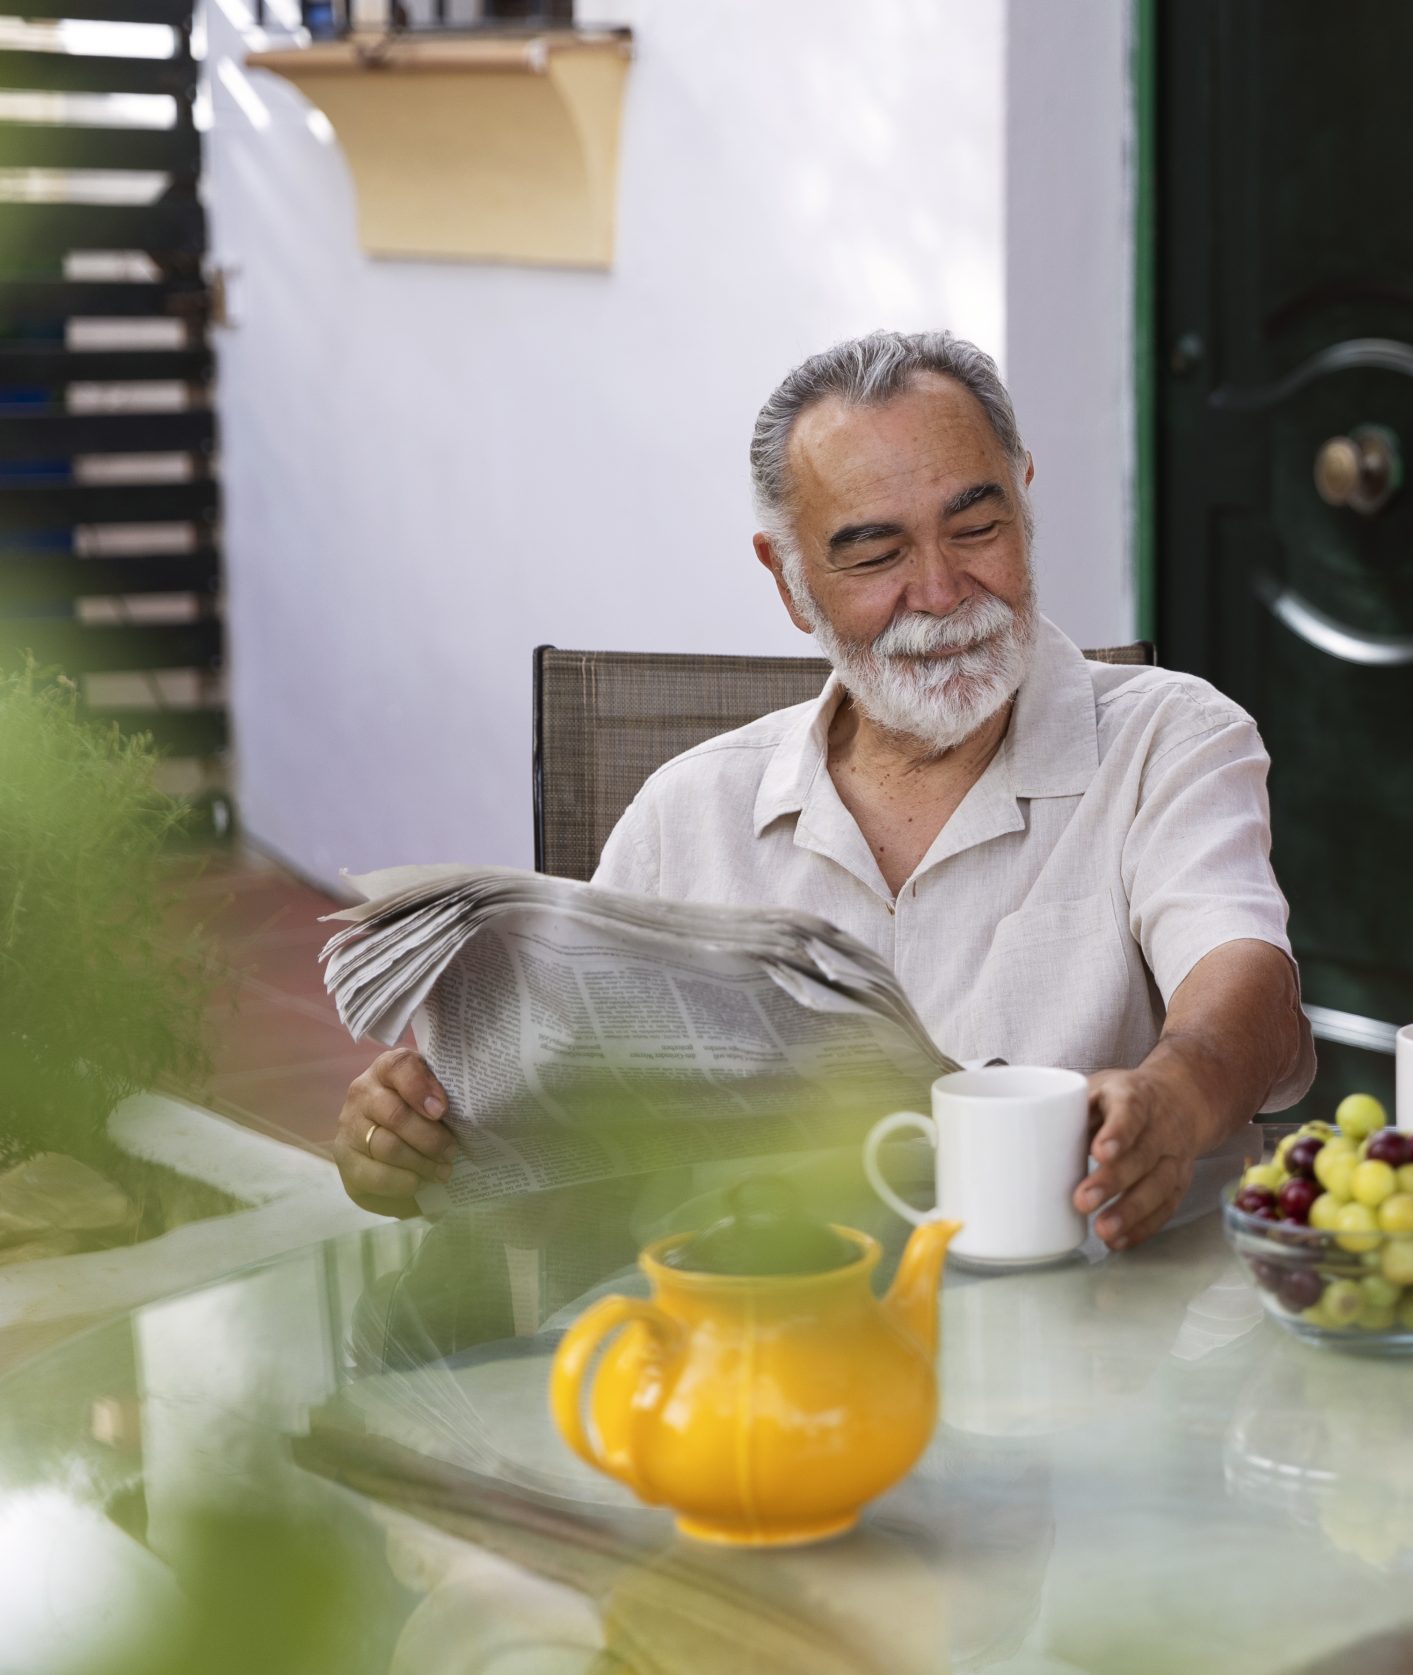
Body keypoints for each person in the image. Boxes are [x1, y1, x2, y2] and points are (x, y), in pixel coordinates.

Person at [336, 332, 1316, 1246]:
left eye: (976, 527)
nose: (940, 591)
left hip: (1106, 1343)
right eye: (875, 553)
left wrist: (1176, 1098)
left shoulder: (1172, 737)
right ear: (789, 577)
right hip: (777, 1352)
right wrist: (419, 1135)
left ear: (1024, 501)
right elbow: (578, 1135)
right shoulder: (690, 814)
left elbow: (1251, 992)